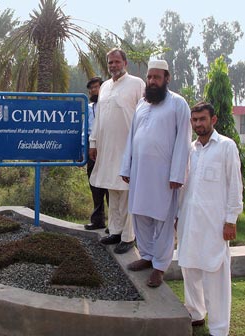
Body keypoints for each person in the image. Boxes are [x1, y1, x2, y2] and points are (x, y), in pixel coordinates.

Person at [120, 60, 191, 287]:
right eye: (149, 77)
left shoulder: (178, 104)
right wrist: (126, 167)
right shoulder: (142, 104)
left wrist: (177, 174)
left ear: (166, 79)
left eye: (156, 78)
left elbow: (183, 141)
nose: (151, 81)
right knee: (140, 214)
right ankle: (147, 256)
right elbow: (132, 138)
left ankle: (160, 267)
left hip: (164, 176)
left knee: (162, 219)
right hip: (140, 172)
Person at [176, 101, 243, 336]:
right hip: (189, 219)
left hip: (215, 223)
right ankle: (195, 314)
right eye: (194, 120)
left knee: (216, 275)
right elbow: (183, 186)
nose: (198, 124)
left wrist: (231, 219)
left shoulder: (226, 146)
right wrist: (177, 215)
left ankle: (219, 328)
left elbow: (235, 184)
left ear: (213, 120)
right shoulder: (190, 149)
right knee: (189, 267)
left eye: (202, 119)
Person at [89, 48, 145, 254]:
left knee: (128, 192)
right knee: (112, 190)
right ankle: (115, 231)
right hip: (107, 147)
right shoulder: (104, 87)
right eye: (110, 62)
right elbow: (99, 118)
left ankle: (129, 237)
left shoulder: (137, 84)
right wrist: (93, 142)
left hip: (129, 148)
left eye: (116, 62)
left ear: (125, 63)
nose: (113, 65)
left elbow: (144, 115)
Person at [83, 76, 109, 232]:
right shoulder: (88, 107)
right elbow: (84, 129)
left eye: (96, 87)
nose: (93, 90)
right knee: (94, 185)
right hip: (92, 150)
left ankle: (115, 224)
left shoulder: (108, 105)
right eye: (91, 88)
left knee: (110, 187)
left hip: (107, 148)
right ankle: (98, 220)